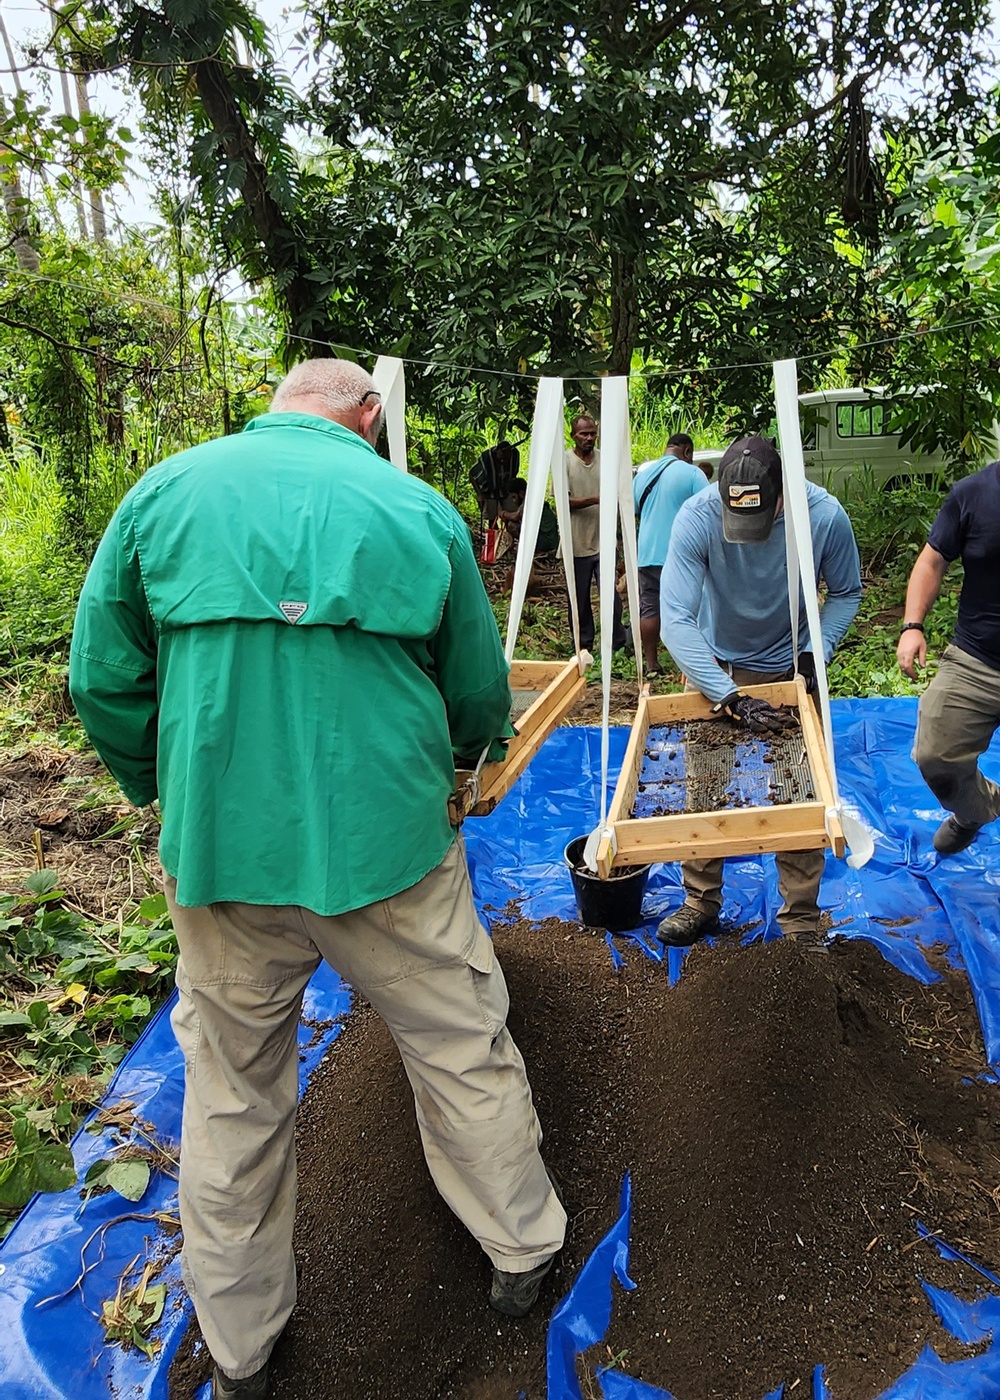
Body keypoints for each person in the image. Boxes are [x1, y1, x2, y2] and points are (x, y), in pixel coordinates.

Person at [68, 360, 567, 1400]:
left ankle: (243, 1344)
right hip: (388, 848)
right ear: (367, 411)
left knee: (234, 1090)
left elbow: (103, 677)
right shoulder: (413, 507)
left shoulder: (167, 492)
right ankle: (520, 1250)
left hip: (224, 860)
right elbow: (476, 685)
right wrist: (470, 757)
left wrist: (170, 784)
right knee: (457, 1042)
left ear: (277, 401)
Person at [657, 435, 862, 946]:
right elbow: (675, 618)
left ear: (782, 497)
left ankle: (799, 919)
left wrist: (816, 654)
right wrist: (726, 693)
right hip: (717, 664)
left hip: (791, 667)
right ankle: (699, 901)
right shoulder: (697, 516)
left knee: (799, 787)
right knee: (705, 782)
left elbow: (846, 592)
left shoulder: (823, 516)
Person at [897, 460, 1000, 855]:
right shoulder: (973, 494)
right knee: (934, 757)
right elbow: (932, 559)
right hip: (977, 659)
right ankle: (975, 809)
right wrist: (912, 626)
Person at [632, 433, 710, 677]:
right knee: (687, 610)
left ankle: (652, 664)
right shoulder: (693, 474)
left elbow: (635, 510)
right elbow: (708, 510)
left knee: (649, 607)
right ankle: (689, 666)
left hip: (646, 553)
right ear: (687, 452)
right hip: (679, 555)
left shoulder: (642, 475)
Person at [565, 412, 627, 653]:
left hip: (603, 540)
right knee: (578, 599)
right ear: (573, 436)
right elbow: (564, 501)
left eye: (592, 433)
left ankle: (617, 642)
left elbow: (619, 493)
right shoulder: (566, 462)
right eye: (584, 434)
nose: (589, 438)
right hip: (577, 541)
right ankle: (583, 644)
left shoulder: (605, 460)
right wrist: (597, 499)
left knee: (610, 597)